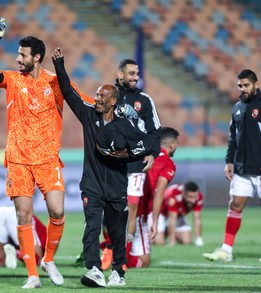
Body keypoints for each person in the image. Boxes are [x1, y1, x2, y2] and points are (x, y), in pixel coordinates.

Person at [52, 48, 160, 287]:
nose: (97, 99)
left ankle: (118, 273)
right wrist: (59, 65)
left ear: (113, 101)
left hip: (117, 185)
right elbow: (68, 92)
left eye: (102, 97)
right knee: (91, 228)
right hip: (92, 185)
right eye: (97, 95)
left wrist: (130, 153)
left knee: (117, 231)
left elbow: (152, 141)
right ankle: (93, 269)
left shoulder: (124, 126)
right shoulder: (89, 115)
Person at [0, 18, 65, 288]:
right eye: (17, 53)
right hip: (18, 158)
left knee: (57, 211)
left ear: (36, 57)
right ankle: (32, 275)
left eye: (22, 55)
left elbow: (79, 100)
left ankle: (48, 259)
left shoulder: (54, 83)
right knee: (23, 215)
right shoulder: (13, 80)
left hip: (48, 157)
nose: (17, 59)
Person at [203, 69, 261, 262]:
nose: (242, 89)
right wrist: (228, 161)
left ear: (255, 85)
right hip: (241, 168)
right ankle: (226, 250)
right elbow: (233, 138)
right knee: (236, 204)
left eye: (246, 85)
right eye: (239, 86)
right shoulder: (237, 108)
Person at [98, 59, 162, 271]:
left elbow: (155, 132)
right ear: (120, 74)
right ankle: (108, 246)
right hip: (111, 163)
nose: (136, 77)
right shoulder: (107, 95)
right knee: (111, 207)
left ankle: (121, 256)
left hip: (135, 162)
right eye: (132, 73)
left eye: (137, 74)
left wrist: (152, 154)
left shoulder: (144, 100)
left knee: (131, 206)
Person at [127, 126, 179, 268]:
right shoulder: (168, 164)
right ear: (172, 144)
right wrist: (154, 221)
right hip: (139, 211)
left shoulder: (144, 154)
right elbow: (158, 192)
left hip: (125, 202)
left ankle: (109, 249)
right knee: (144, 261)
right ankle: (111, 253)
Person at [0, 206, 47, 270]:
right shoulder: (46, 240)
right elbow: (38, 256)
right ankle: (15, 253)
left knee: (2, 261)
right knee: (35, 259)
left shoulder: (45, 233)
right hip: (18, 216)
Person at [153, 181, 204, 246]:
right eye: (190, 197)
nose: (193, 200)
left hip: (179, 215)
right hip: (162, 214)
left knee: (187, 241)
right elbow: (172, 219)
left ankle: (167, 230)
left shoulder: (199, 197)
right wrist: (172, 241)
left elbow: (197, 219)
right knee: (159, 243)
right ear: (183, 193)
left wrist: (198, 239)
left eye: (194, 197)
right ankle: (163, 231)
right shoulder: (173, 194)